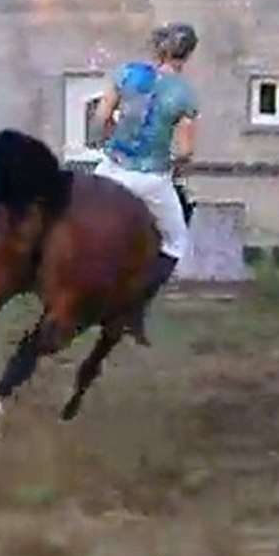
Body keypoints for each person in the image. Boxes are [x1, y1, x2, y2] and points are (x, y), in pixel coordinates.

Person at [88, 22, 200, 339]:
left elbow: (100, 119)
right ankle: (134, 307)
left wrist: (102, 140)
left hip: (111, 169)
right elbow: (186, 150)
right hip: (150, 180)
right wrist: (174, 161)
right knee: (176, 242)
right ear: (188, 54)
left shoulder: (125, 73)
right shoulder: (184, 93)